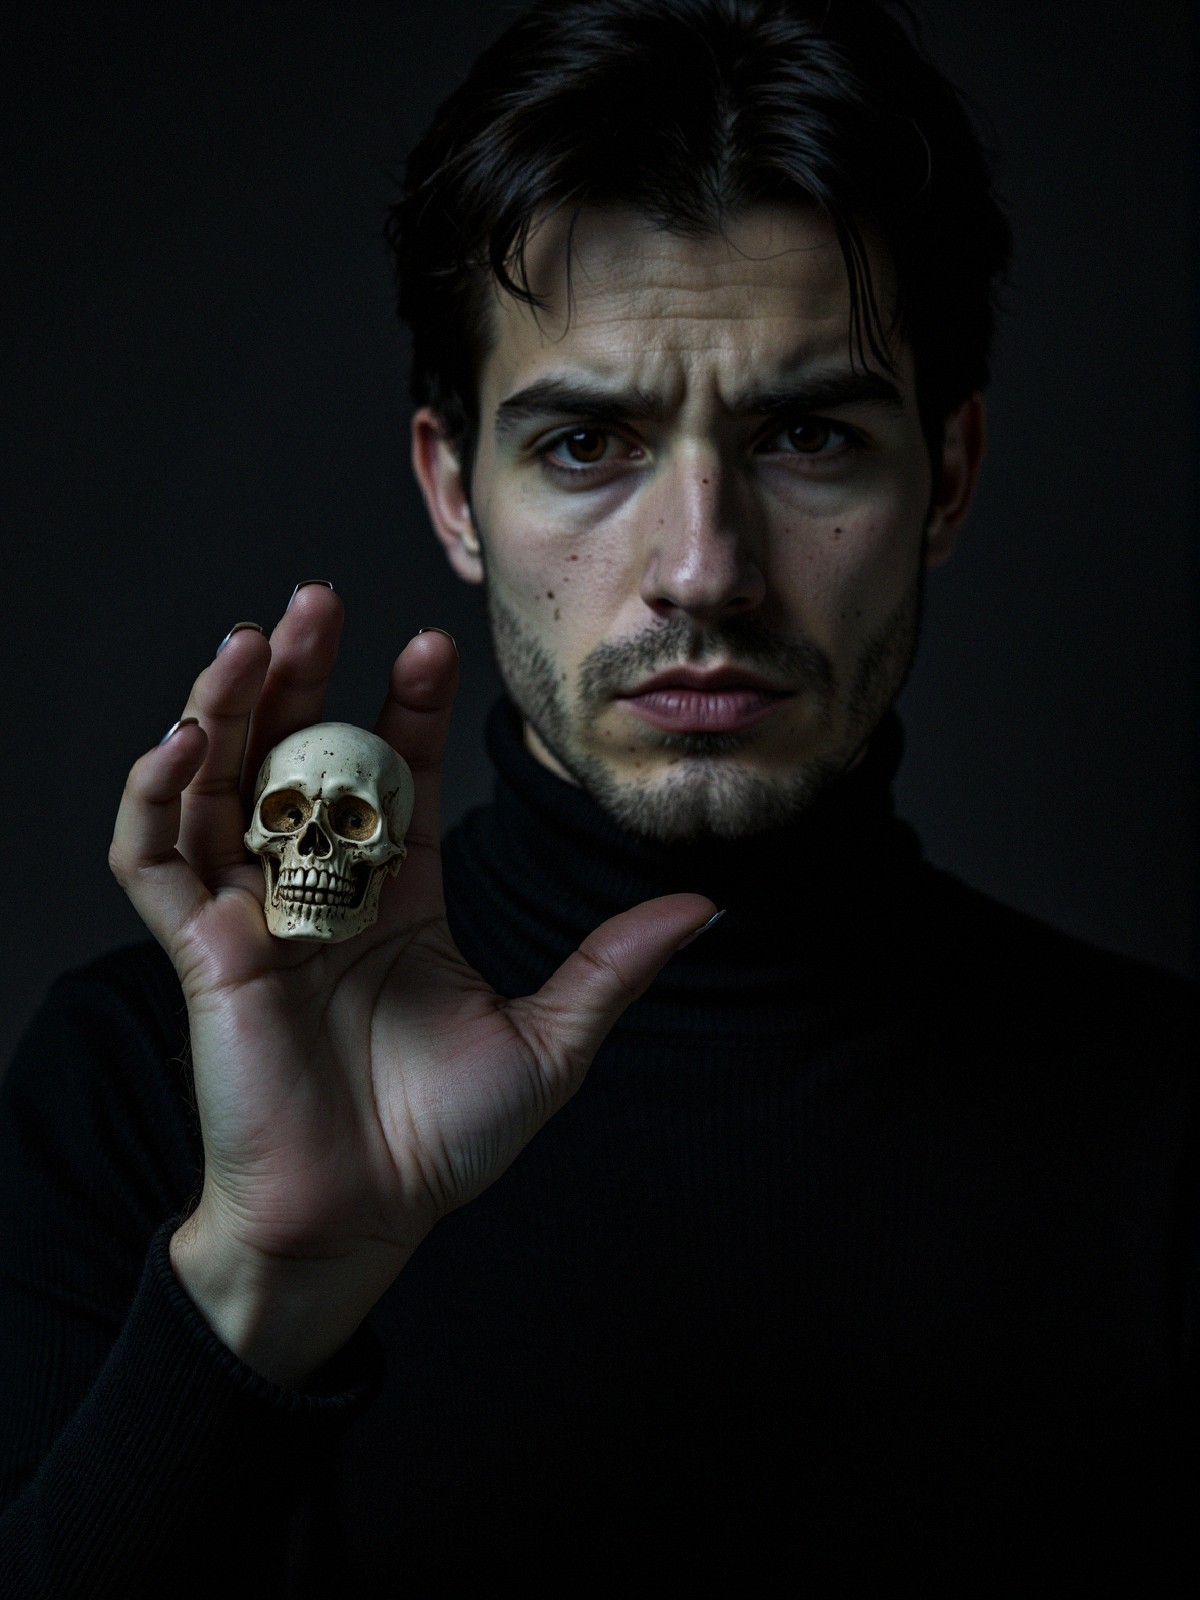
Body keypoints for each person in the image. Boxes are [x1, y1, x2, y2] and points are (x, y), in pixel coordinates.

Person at [1, 0, 1195, 1592]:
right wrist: (259, 1288)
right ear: (452, 489)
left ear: (950, 480)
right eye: (585, 444)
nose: (703, 569)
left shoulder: (1174, 1131)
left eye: (811, 436)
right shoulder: (139, 1091)